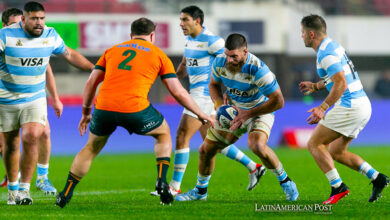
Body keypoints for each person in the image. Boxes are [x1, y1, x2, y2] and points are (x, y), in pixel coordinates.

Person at [55, 17, 214, 208]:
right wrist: (201, 113)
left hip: (104, 107)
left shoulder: (112, 50)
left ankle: (65, 194)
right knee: (163, 134)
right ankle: (162, 181)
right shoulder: (159, 54)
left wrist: (86, 112)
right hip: (135, 109)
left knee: (90, 148)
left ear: (131, 36)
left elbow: (91, 83)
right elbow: (178, 91)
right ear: (152, 35)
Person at [151, 6, 264, 197]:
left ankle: (174, 186)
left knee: (181, 135)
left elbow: (234, 62)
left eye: (185, 19)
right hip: (196, 94)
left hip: (204, 95)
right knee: (211, 141)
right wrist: (169, 76)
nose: (181, 24)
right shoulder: (189, 41)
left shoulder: (213, 41)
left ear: (197, 21)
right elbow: (185, 65)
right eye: (180, 20)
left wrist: (231, 90)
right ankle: (254, 166)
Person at [175, 33, 299, 202]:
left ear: (245, 52)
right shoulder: (220, 61)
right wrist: (219, 106)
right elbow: (213, 84)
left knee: (257, 146)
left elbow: (278, 101)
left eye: (234, 56)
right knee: (206, 149)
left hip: (260, 110)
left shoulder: (258, 70)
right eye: (227, 55)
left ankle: (285, 181)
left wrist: (248, 114)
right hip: (235, 110)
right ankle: (200, 191)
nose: (229, 60)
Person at [0, 1, 95, 205]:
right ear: (24, 19)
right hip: (6, 98)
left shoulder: (50, 35)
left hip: (34, 97)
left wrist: (94, 69)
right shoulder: (5, 35)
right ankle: (12, 190)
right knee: (11, 144)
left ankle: (24, 190)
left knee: (32, 135)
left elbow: (69, 54)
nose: (39, 23)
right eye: (34, 19)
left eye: (42, 18)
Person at [299, 14, 389, 204]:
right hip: (362, 104)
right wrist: (315, 86)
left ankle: (338, 187)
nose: (302, 36)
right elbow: (337, 77)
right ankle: (377, 178)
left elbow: (340, 84)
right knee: (336, 151)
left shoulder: (326, 54)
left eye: (303, 33)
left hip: (350, 106)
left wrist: (322, 107)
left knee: (314, 144)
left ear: (311, 34)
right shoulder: (332, 46)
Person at [0, 7, 61, 195]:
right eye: (14, 24)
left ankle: (42, 178)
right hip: (6, 98)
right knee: (6, 144)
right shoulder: (5, 42)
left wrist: (55, 98)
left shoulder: (35, 45)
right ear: (5, 25)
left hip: (32, 97)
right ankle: (12, 177)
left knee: (43, 132)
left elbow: (47, 71)